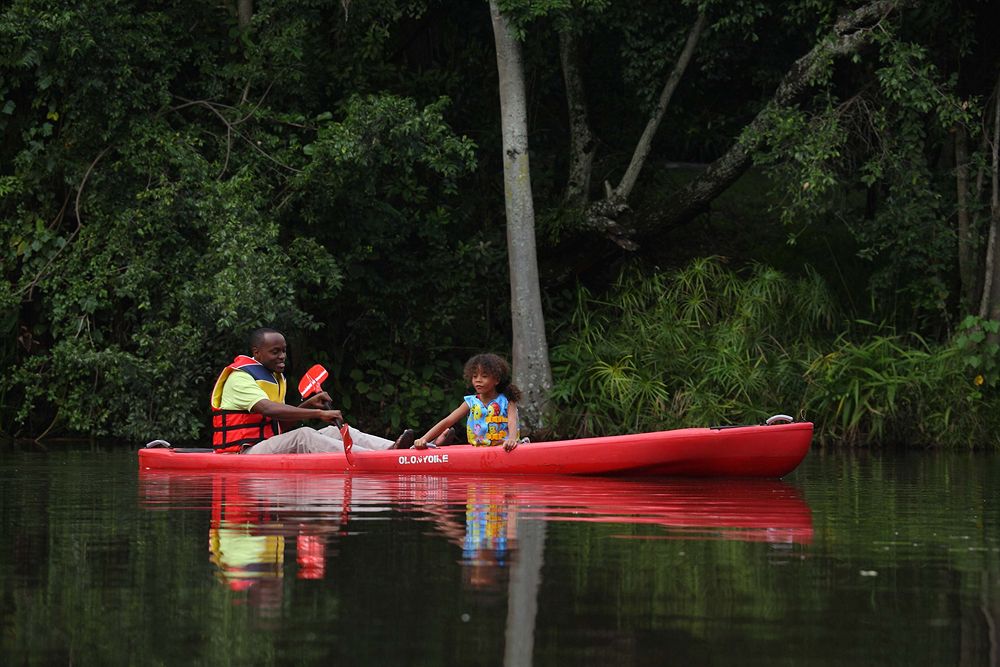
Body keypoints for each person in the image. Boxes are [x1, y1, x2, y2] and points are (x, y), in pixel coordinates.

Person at [210, 327, 414, 454]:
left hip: (264, 446)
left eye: (284, 351)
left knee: (334, 430)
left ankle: (394, 450)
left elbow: (280, 425)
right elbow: (267, 409)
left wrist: (308, 404)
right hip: (242, 453)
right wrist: (317, 412)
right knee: (304, 435)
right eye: (275, 352)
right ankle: (375, 460)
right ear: (257, 352)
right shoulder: (240, 377)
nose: (282, 356)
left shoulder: (273, 377)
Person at [409, 352, 523, 452]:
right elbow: (447, 421)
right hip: (478, 452)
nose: (478, 380)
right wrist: (423, 438)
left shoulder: (507, 400)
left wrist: (512, 440)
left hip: (505, 448)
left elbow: (512, 422)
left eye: (484, 376)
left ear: (497, 380)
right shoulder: (471, 402)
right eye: (474, 376)